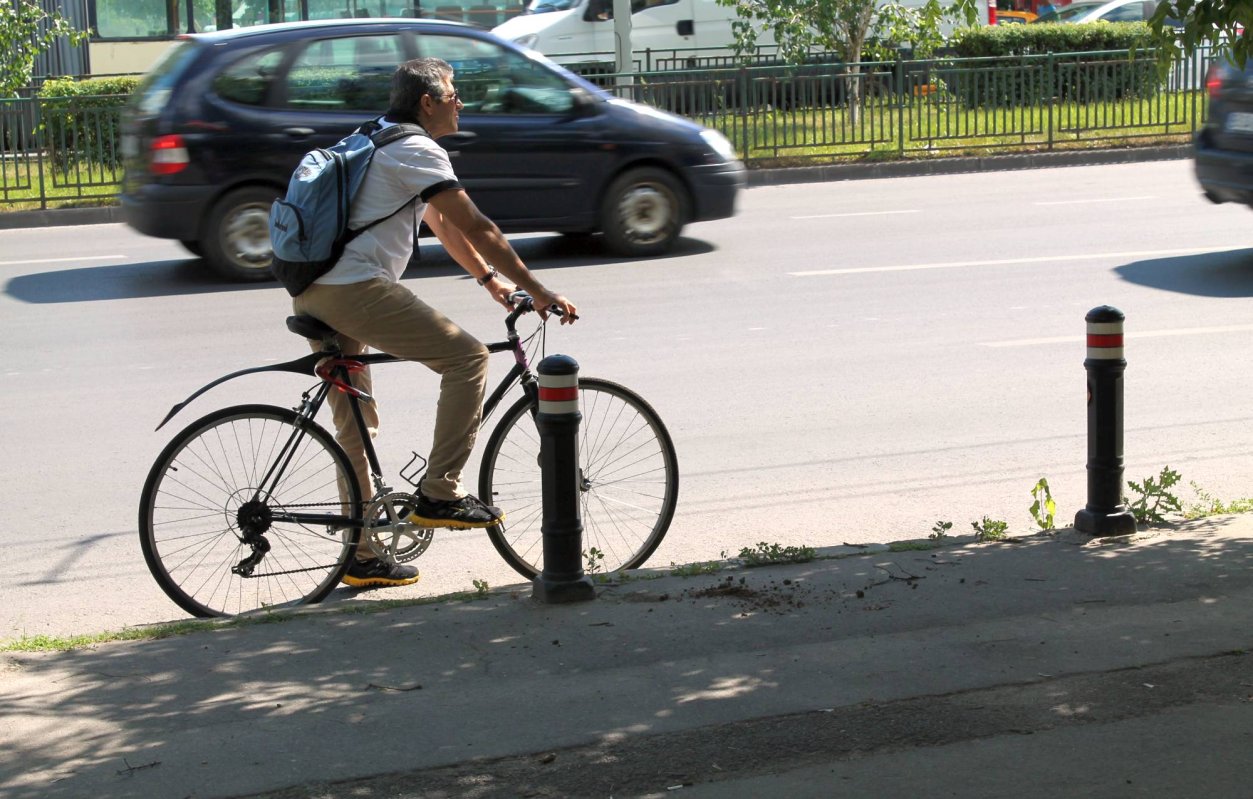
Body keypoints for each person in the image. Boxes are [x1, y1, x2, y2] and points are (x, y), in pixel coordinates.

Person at [292, 57, 578, 589]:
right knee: (468, 358)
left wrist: (490, 281)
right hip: (354, 289)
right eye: (453, 94)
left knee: (355, 427)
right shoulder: (416, 149)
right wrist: (539, 290)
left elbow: (441, 222)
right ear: (427, 103)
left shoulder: (376, 136)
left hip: (313, 288)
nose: (460, 103)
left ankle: (361, 556)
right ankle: (440, 492)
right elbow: (476, 224)